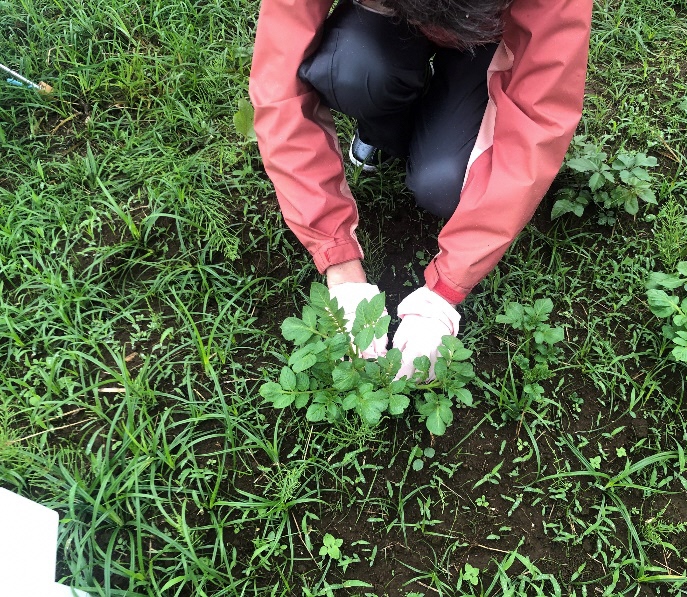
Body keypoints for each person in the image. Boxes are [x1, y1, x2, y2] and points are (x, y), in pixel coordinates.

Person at [249, 0, 592, 379]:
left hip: (489, 37)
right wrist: (337, 260)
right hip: (388, 19)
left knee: (443, 185)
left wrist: (447, 288)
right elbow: (279, 91)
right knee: (353, 69)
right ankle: (387, 124)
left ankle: (444, 118)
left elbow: (537, 120)